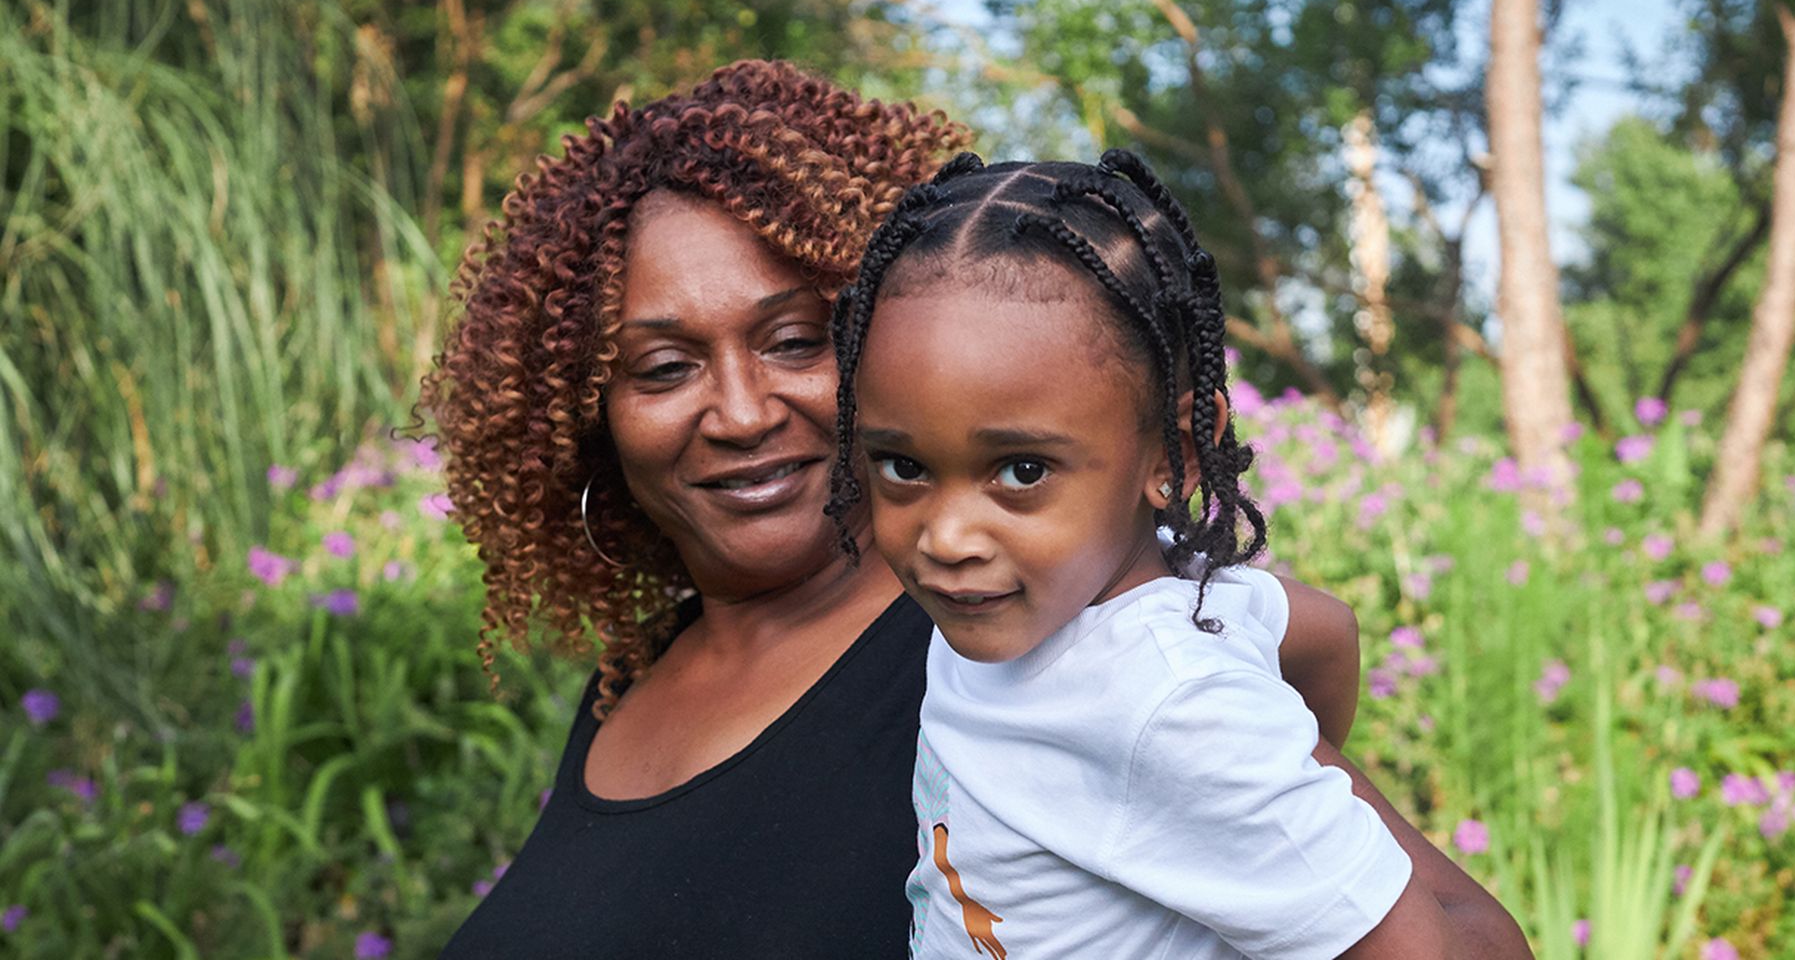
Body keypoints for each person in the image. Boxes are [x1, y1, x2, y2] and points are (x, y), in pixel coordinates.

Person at [424, 60, 1529, 956]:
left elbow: (1462, 936)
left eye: (797, 340)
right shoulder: (632, 683)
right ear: (589, 417)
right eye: (662, 368)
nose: (742, 410)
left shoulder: (1026, 635)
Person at [827, 149, 1472, 958]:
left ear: (1174, 455)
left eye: (1022, 471)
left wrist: (1267, 773)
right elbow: (1322, 627)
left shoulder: (1168, 708)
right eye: (904, 466)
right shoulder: (1055, 605)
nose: (945, 539)